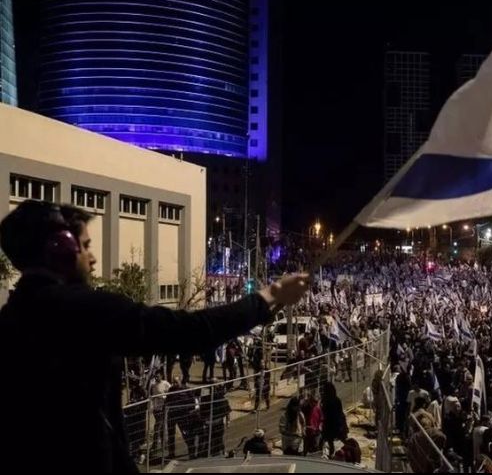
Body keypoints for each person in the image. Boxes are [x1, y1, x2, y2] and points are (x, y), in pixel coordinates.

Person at [0, 200, 310, 472]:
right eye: (85, 244)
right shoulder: (82, 309)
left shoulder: (11, 316)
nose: (92, 258)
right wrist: (270, 296)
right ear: (62, 249)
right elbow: (189, 330)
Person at [321, 381, 348, 458]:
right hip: (337, 423)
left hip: (329, 424)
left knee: (330, 441)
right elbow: (340, 411)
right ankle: (340, 454)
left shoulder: (325, 401)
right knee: (340, 441)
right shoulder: (337, 400)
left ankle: (331, 454)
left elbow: (324, 412)